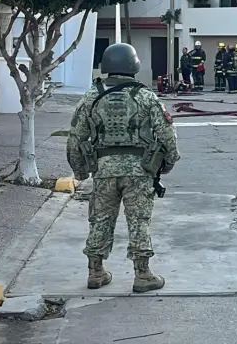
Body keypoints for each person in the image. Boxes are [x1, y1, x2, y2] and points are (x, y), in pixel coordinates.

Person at [66, 43, 180, 292]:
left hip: (104, 170)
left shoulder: (90, 96)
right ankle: (143, 275)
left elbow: (75, 139)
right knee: (138, 220)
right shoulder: (146, 96)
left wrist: (79, 172)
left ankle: (95, 272)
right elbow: (167, 135)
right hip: (139, 170)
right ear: (133, 65)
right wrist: (168, 164)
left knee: (100, 219)